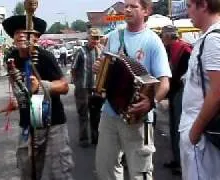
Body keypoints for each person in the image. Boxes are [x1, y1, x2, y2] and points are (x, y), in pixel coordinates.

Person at [92, 0, 171, 179]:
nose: (127, 9)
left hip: (139, 119)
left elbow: (164, 83)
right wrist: (99, 68)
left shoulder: (153, 41)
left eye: (133, 6)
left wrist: (152, 102)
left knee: (141, 171)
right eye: (126, 6)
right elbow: (104, 69)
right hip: (109, 113)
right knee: (105, 168)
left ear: (146, 11)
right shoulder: (113, 37)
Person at [2, 15, 74, 180]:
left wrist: (42, 86)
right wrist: (18, 100)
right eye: (17, 32)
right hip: (28, 122)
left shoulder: (45, 57)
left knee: (60, 172)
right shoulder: (10, 58)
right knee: (27, 171)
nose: (21, 35)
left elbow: (64, 86)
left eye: (26, 33)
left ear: (35, 38)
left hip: (53, 122)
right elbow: (18, 88)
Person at [179, 0, 220, 179]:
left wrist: (195, 131)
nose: (188, 12)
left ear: (203, 5)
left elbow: (218, 91)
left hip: (202, 134)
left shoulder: (213, 40)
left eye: (189, 6)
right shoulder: (207, 37)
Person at [160, 25, 192, 175]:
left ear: (168, 36)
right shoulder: (170, 49)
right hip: (174, 92)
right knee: (173, 126)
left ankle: (181, 163)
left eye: (163, 36)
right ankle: (177, 159)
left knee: (179, 128)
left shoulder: (184, 49)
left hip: (181, 91)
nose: (161, 38)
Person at [71, 28, 104, 147]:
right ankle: (83, 139)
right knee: (83, 114)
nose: (95, 40)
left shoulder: (101, 51)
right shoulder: (80, 51)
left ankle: (96, 138)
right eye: (93, 38)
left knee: (96, 115)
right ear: (88, 38)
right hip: (83, 88)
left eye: (98, 38)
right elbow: (74, 69)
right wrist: (77, 83)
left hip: (96, 88)